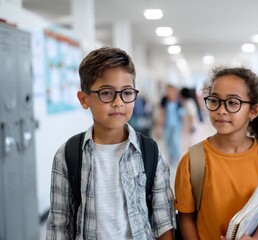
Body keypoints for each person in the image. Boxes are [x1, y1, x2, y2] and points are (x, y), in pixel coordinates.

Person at [46, 47, 175, 239]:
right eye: (106, 93)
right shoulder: (68, 154)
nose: (118, 102)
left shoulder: (150, 152)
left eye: (127, 92)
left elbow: (163, 220)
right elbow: (59, 225)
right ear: (84, 99)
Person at [174, 67, 258, 239]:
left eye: (232, 103)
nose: (221, 110)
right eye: (214, 101)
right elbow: (186, 217)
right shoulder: (193, 160)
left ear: (253, 111)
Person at [155, 84, 184, 167]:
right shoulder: (164, 101)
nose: (169, 93)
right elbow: (161, 114)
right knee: (167, 142)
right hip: (166, 125)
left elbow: (182, 116)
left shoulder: (178, 101)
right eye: (167, 91)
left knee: (175, 142)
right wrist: (158, 127)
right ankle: (171, 159)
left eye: (171, 91)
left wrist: (185, 128)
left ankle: (177, 159)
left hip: (176, 126)